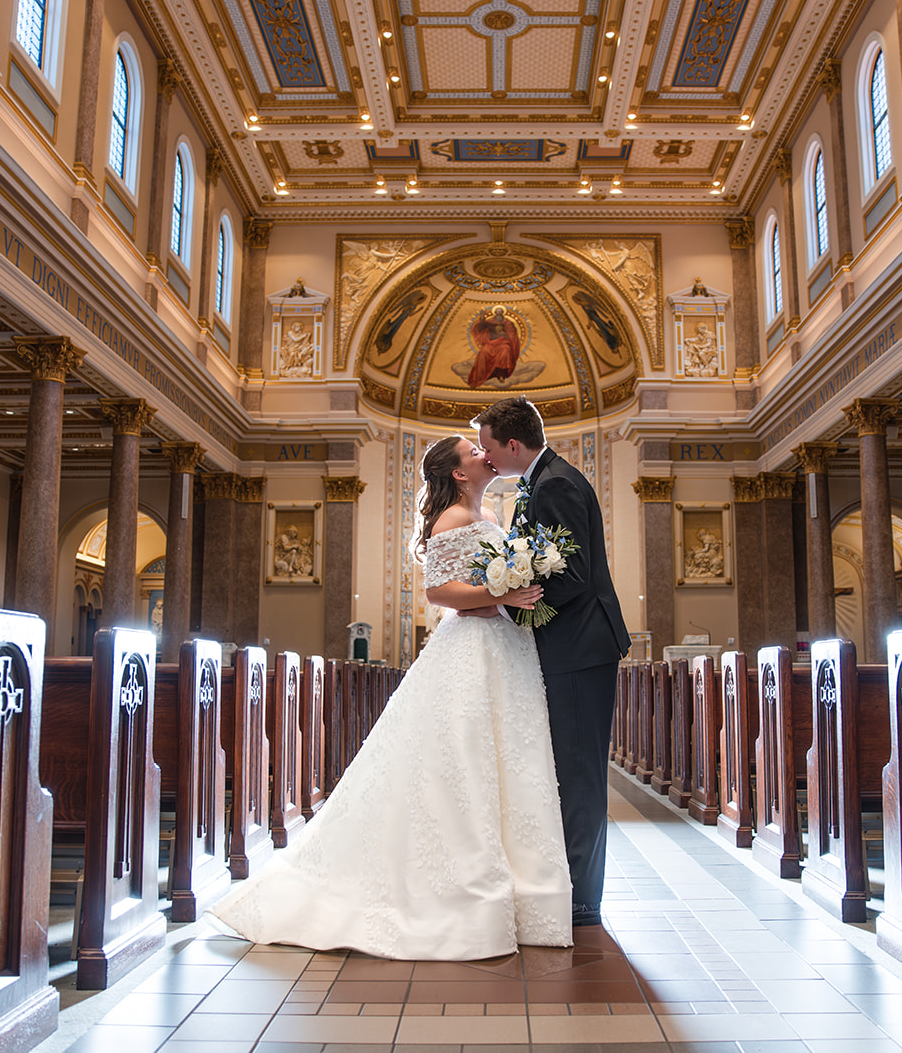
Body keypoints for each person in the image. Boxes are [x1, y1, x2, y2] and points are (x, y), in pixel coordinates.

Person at [212, 436, 572, 959]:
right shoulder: (450, 519)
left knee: (511, 760)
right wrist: (504, 592)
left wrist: (514, 589)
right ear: (458, 474)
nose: (482, 454)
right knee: (463, 761)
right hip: (469, 648)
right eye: (473, 452)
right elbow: (440, 592)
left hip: (504, 648)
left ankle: (523, 893)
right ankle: (463, 894)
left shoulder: (491, 511)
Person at [472, 397, 631, 928]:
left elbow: (572, 575)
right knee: (567, 768)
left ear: (513, 443)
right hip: (569, 647)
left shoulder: (555, 484)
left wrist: (516, 606)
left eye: (490, 447)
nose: (487, 457)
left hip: (580, 648)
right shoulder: (541, 481)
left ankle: (584, 899)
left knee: (581, 772)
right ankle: (571, 886)